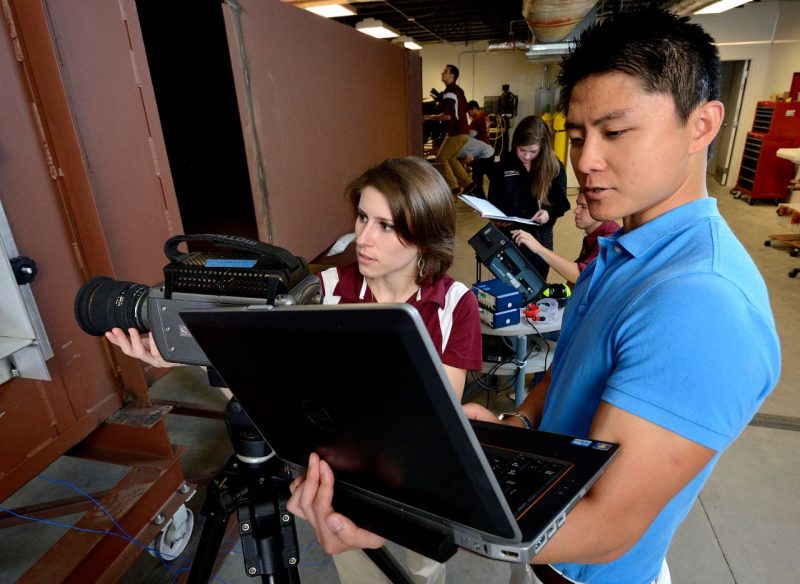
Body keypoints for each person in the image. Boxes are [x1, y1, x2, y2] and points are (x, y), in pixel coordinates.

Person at [285, 9, 781, 584]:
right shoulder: (623, 246)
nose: (586, 161)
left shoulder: (701, 303)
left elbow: (605, 526)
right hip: (541, 545)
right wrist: (517, 423)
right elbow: (571, 368)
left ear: (702, 124)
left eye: (615, 132)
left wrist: (403, 520)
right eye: (576, 135)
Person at [105, 156, 483, 584]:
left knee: (423, 571)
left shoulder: (455, 305)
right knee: (361, 573)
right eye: (362, 216)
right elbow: (274, 404)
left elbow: (436, 418)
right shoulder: (322, 292)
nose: (362, 237)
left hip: (419, 487)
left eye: (386, 225)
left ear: (425, 237)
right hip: (343, 481)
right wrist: (190, 356)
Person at [488, 115, 570, 280]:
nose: (526, 156)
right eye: (522, 150)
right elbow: (493, 199)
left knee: (535, 284)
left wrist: (548, 214)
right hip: (508, 233)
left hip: (539, 236)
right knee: (507, 285)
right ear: (515, 145)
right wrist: (495, 217)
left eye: (533, 151)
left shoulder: (554, 167)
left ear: (543, 147)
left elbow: (561, 204)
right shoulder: (504, 164)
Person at [511, 191, 619, 287]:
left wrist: (539, 248)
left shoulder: (610, 235)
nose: (576, 211)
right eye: (577, 205)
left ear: (601, 208)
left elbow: (581, 276)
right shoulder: (594, 233)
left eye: (583, 206)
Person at [424, 65, 471, 195]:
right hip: (463, 132)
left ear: (452, 76)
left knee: (440, 158)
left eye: (445, 71)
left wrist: (428, 117)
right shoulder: (458, 90)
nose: (442, 73)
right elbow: (464, 109)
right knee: (451, 158)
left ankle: (454, 186)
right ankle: (468, 183)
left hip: (456, 132)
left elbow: (448, 116)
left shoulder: (450, 91)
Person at [459, 100, 494, 199]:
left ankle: (481, 201)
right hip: (487, 149)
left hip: (481, 153)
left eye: (469, 112)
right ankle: (493, 197)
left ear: (474, 109)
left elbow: (471, 135)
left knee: (477, 179)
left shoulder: (477, 120)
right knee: (492, 177)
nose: (469, 114)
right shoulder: (485, 116)